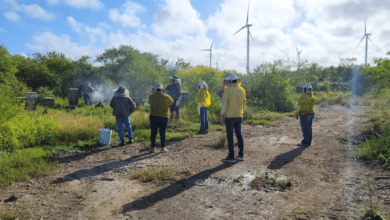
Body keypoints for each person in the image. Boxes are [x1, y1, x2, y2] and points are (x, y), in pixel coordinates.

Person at [220, 73, 246, 162]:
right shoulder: (242, 90)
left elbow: (224, 104)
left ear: (230, 81)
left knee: (230, 136)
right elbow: (244, 104)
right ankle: (241, 154)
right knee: (239, 134)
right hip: (239, 115)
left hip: (230, 116)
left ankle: (231, 156)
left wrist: (221, 115)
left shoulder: (228, 90)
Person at [149, 83, 174, 153]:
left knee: (153, 132)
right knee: (162, 132)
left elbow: (149, 102)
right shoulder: (166, 97)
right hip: (164, 116)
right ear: (162, 89)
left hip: (153, 116)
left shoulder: (151, 96)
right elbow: (172, 102)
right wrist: (167, 105)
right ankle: (163, 148)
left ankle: (153, 148)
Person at [294, 83, 316, 147]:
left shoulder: (303, 96)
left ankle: (305, 142)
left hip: (304, 114)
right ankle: (308, 142)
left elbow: (299, 106)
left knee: (305, 128)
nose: (303, 90)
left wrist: (296, 113)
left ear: (306, 90)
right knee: (309, 128)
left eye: (304, 89)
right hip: (311, 113)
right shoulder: (312, 96)